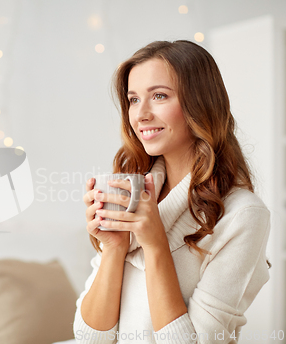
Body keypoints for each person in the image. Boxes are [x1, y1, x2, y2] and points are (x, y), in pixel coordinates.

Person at [73, 40, 271, 344]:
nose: (141, 114)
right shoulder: (133, 196)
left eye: (159, 96)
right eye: (134, 99)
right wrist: (114, 248)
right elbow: (88, 338)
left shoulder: (243, 215)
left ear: (200, 103)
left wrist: (155, 246)